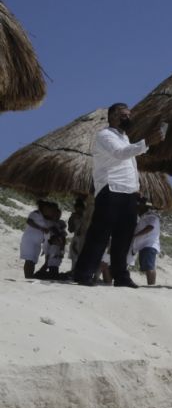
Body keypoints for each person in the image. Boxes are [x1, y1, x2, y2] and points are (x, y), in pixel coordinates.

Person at [71, 104, 165, 288]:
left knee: (124, 237)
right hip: (110, 189)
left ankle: (121, 276)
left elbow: (129, 165)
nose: (128, 118)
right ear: (112, 116)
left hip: (128, 193)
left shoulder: (126, 138)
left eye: (129, 115)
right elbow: (120, 154)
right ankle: (83, 274)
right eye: (123, 115)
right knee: (100, 234)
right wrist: (146, 142)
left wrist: (136, 187)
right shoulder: (104, 135)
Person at [20, 200, 56, 279]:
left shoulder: (46, 219)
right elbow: (29, 221)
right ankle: (28, 277)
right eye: (49, 209)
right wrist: (41, 228)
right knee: (29, 259)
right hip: (29, 240)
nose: (50, 211)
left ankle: (29, 276)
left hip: (37, 242)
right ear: (44, 208)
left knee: (33, 260)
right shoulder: (36, 213)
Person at [131, 199, 161, 286]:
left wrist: (136, 235)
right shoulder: (144, 217)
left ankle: (151, 285)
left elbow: (150, 227)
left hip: (149, 245)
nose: (138, 208)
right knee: (147, 267)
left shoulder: (152, 216)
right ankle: (150, 284)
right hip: (144, 246)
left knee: (149, 267)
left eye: (139, 206)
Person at [36, 210, 68, 279]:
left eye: (59, 215)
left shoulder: (60, 223)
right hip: (51, 244)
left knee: (50, 262)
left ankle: (39, 274)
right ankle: (39, 274)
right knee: (49, 262)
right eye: (56, 214)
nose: (57, 216)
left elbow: (63, 236)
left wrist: (62, 247)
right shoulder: (50, 223)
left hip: (55, 245)